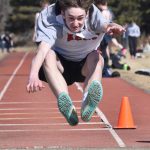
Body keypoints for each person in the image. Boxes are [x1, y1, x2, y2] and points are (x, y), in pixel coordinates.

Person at [26, 0, 125, 126]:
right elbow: (42, 50)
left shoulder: (94, 15)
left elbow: (106, 25)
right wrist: (33, 75)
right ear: (62, 13)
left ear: (87, 14)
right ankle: (65, 103)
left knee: (97, 57)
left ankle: (87, 102)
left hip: (84, 65)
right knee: (47, 55)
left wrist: (113, 26)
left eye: (80, 18)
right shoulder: (50, 17)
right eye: (71, 18)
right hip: (59, 66)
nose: (76, 23)